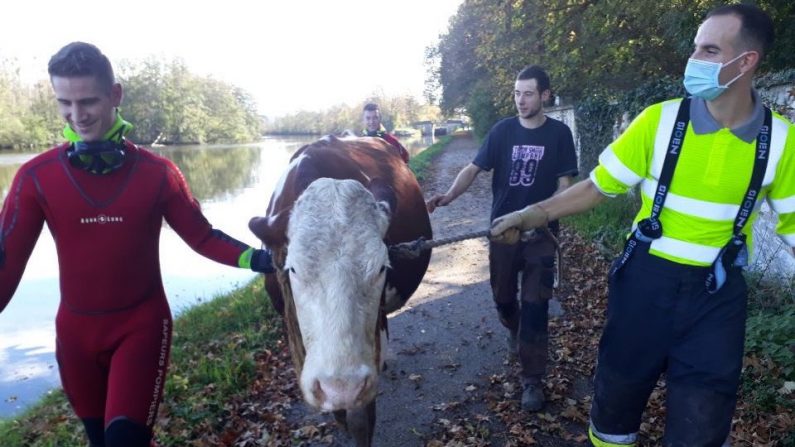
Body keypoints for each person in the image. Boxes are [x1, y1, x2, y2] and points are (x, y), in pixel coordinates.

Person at [490, 5, 794, 445]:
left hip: (717, 299)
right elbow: (596, 187)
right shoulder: (660, 121)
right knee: (615, 407)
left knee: (703, 423)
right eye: (694, 48)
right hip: (644, 284)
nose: (693, 60)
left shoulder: (781, 141)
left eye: (709, 50)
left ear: (745, 62)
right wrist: (531, 214)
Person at [0, 42, 274, 447]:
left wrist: (259, 259)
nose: (77, 116)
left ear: (115, 95)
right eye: (65, 103)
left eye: (88, 101)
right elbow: (5, 266)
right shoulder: (35, 178)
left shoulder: (157, 173)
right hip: (75, 335)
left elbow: (200, 236)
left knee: (124, 441)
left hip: (141, 327)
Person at [426, 65, 578, 412]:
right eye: (516, 93)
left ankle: (532, 381)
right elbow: (472, 169)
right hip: (502, 234)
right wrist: (448, 197)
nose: (520, 100)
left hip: (541, 235)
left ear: (545, 95)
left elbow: (565, 186)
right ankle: (514, 327)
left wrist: (550, 213)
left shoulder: (559, 135)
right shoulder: (502, 132)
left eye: (527, 93)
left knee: (536, 307)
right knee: (504, 300)